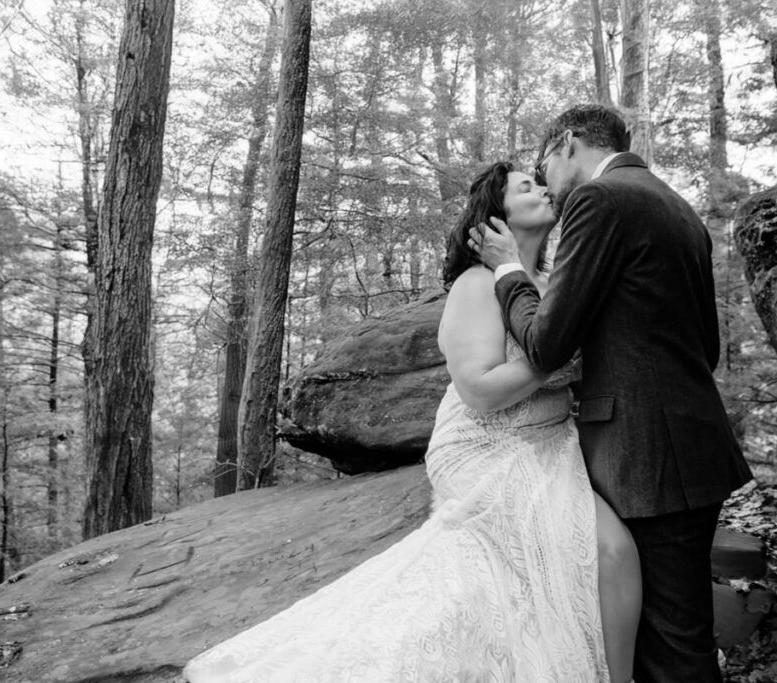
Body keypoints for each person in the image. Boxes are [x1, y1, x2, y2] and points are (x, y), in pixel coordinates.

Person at [183, 162, 639, 683]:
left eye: (540, 181)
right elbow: (480, 391)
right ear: (496, 219)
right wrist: (554, 361)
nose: (542, 189)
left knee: (583, 558)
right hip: (490, 443)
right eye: (525, 187)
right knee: (606, 549)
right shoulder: (476, 284)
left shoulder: (554, 281)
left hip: (551, 440)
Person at [470, 104, 753, 683]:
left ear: (568, 143)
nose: (544, 180)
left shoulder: (599, 201)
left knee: (669, 651)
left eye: (543, 163)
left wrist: (506, 271)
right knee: (680, 633)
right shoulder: (678, 207)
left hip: (646, 456)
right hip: (689, 445)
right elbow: (707, 342)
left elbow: (547, 343)